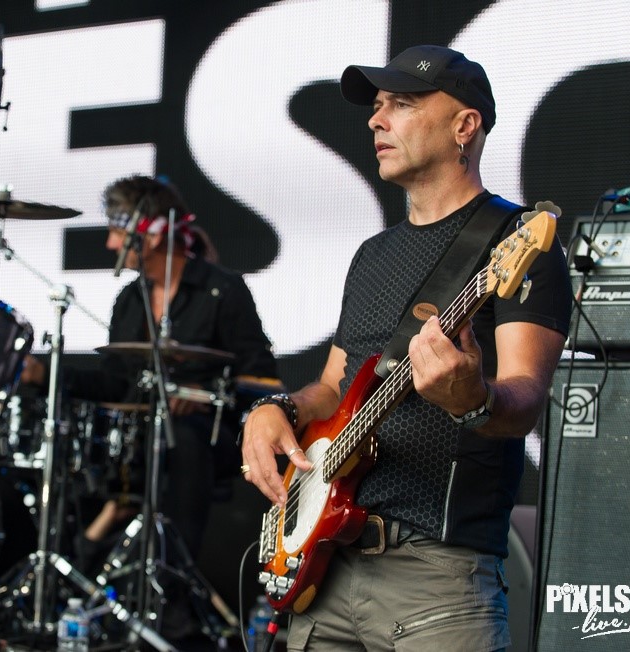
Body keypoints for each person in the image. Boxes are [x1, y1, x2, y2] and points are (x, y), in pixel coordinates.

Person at [239, 45, 572, 651]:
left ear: (464, 125)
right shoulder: (372, 255)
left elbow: (525, 399)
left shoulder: (516, 241)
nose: (376, 119)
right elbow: (335, 388)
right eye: (377, 105)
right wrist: (278, 408)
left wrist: (471, 397)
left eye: (402, 103)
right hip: (328, 569)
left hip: (436, 580)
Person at [21, 174, 279, 642]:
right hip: (137, 438)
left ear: (154, 233)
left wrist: (198, 392)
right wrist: (45, 375)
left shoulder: (222, 290)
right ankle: (73, 589)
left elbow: (262, 378)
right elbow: (114, 384)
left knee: (182, 444)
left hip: (205, 438)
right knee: (76, 447)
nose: (110, 243)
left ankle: (171, 602)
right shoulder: (130, 299)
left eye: (117, 230)